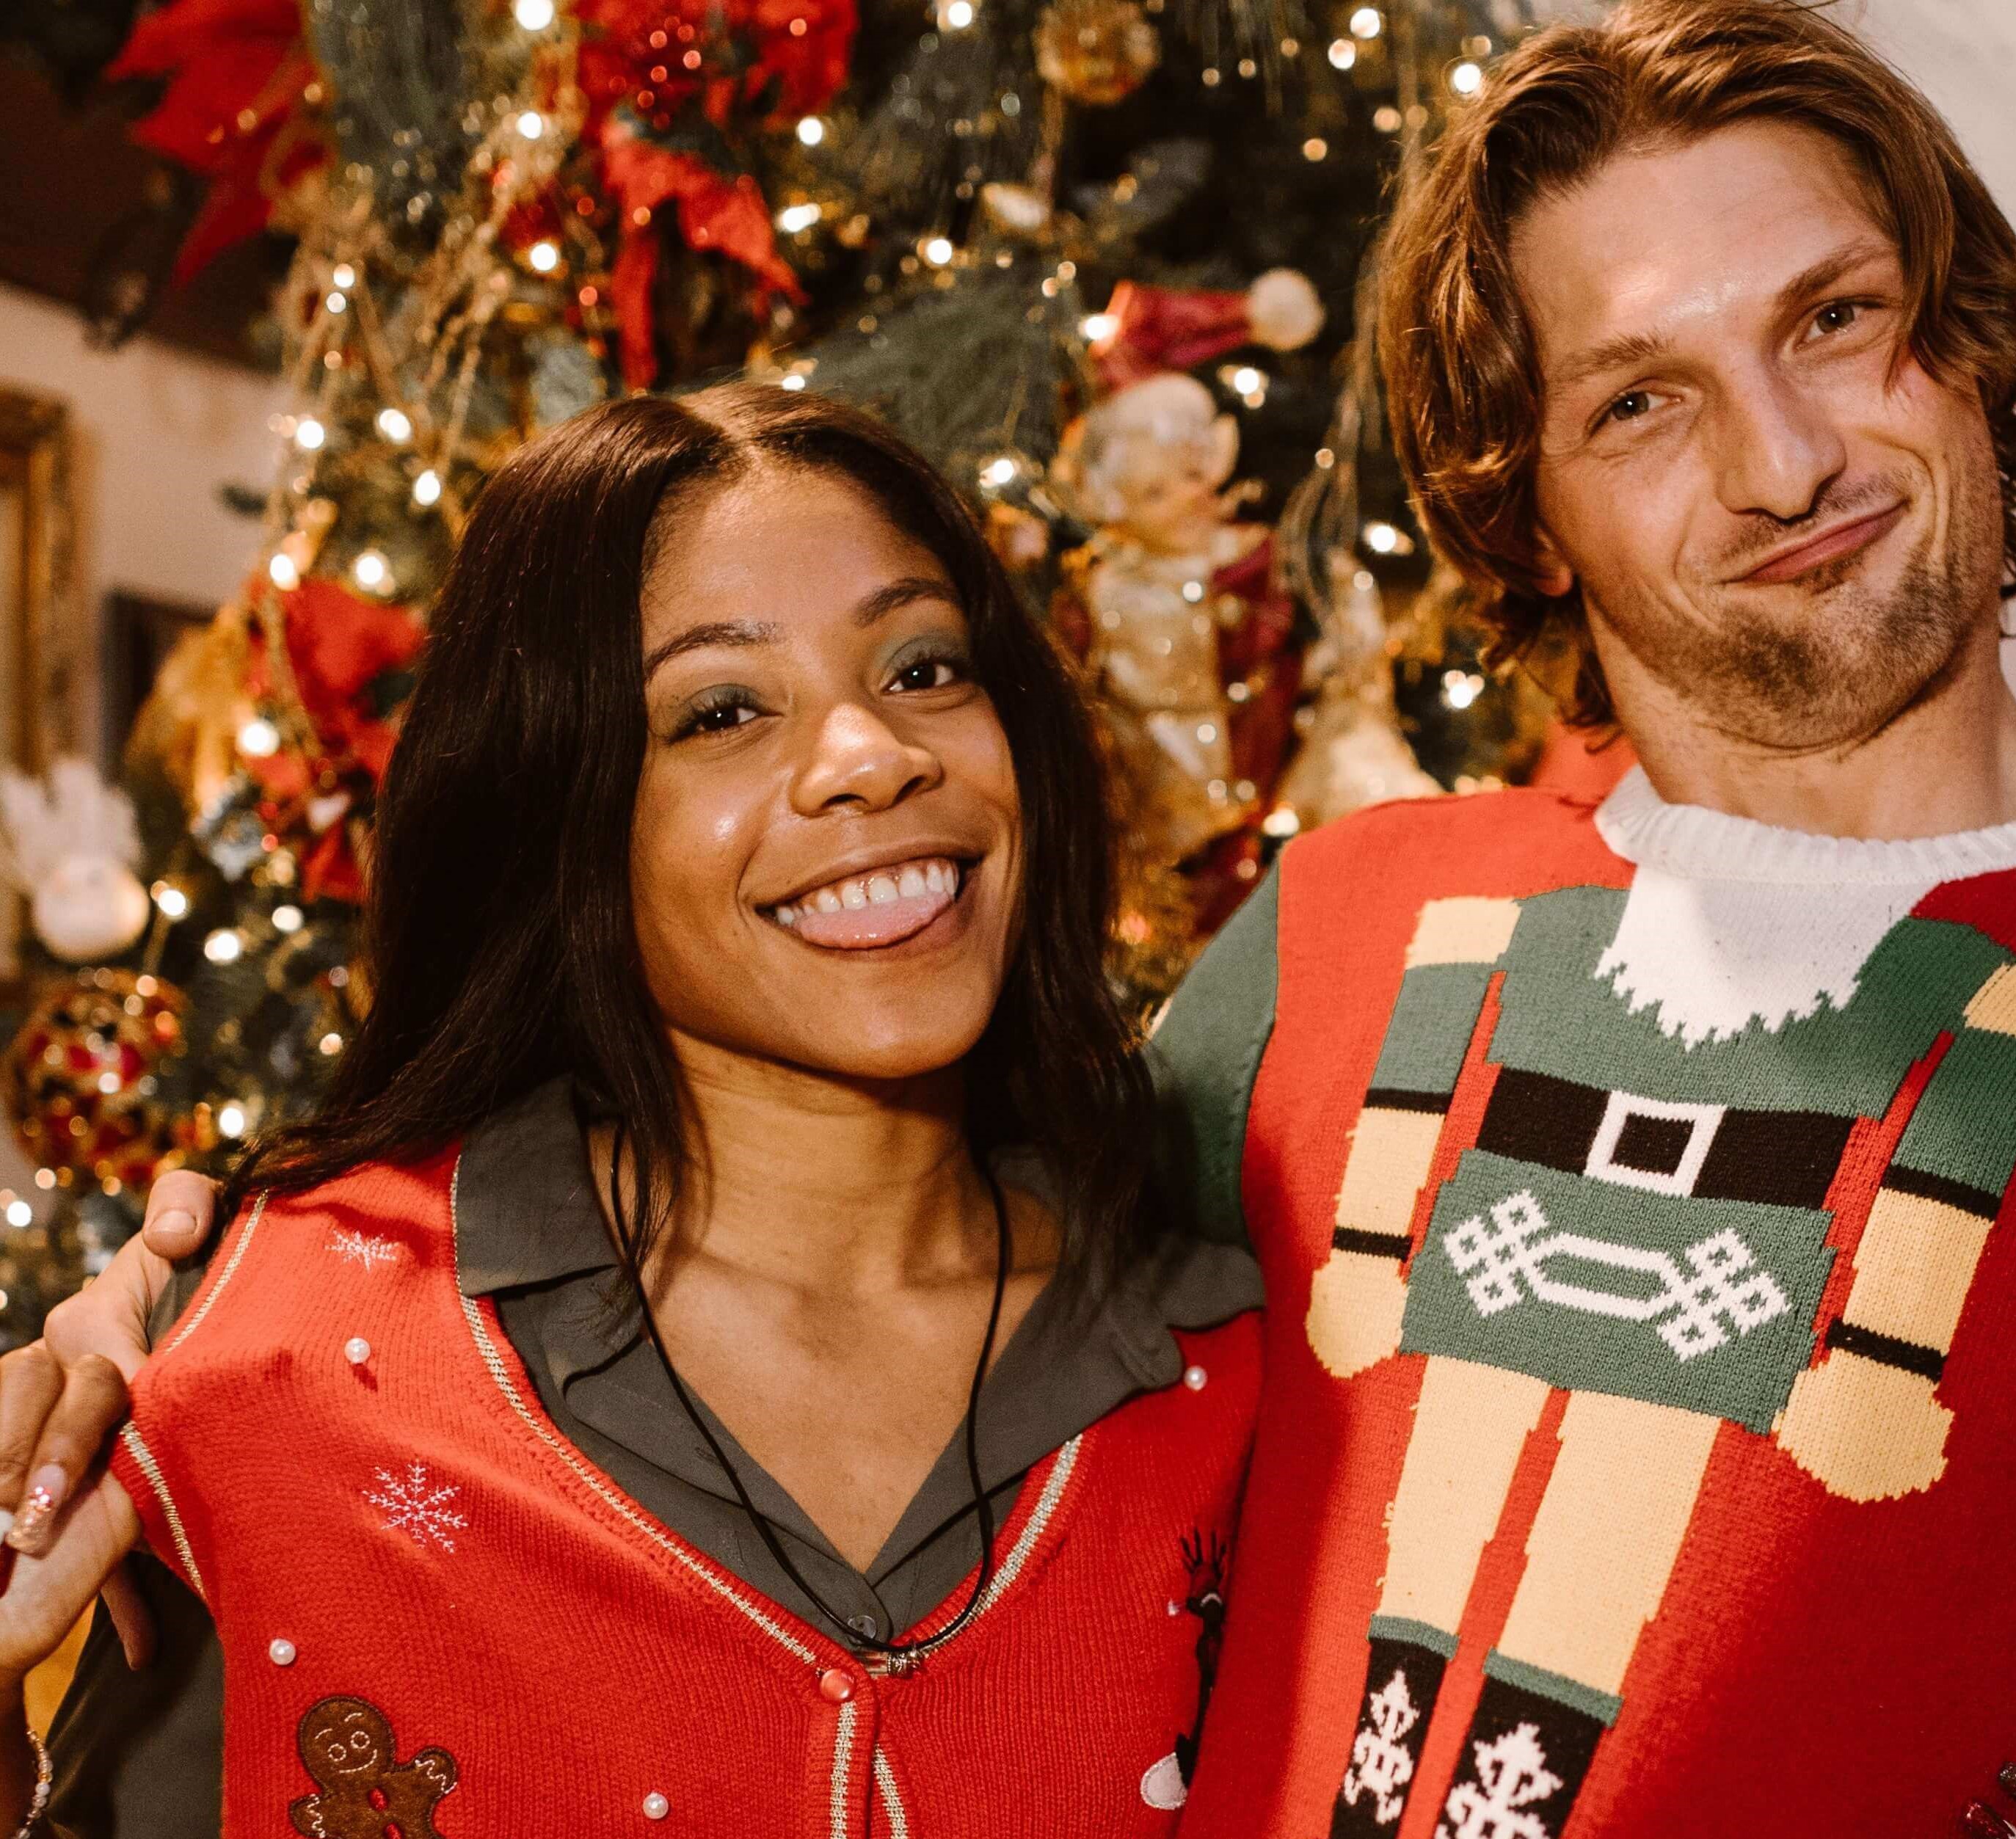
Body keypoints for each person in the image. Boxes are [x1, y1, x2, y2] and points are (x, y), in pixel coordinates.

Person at [21, 5, 2016, 1836]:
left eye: (1836, 320)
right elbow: (881, 1305)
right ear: (1522, 508)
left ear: (1974, 338)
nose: (1785, 460)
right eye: (1636, 401)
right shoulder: (1350, 930)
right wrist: (187, 1387)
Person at [0, 382, 1262, 1833]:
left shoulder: (1229, 1380)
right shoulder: (278, 1353)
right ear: (567, 818)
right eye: (722, 708)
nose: (873, 753)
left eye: (925, 666)